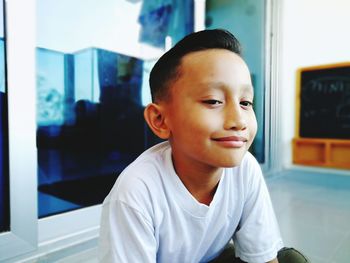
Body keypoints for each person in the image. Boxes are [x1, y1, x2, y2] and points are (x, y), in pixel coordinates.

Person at [98, 29, 309, 263]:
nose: (238, 121)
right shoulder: (136, 192)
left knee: (290, 259)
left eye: (245, 102)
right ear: (160, 120)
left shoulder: (245, 168)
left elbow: (263, 258)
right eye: (213, 101)